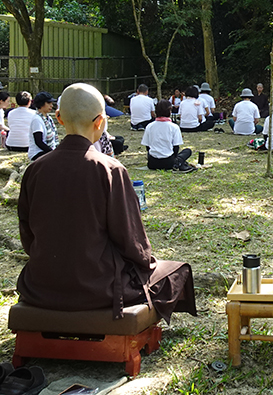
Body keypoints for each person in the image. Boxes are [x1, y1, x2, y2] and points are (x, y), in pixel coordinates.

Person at [15, 83, 197, 322]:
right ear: (100, 121)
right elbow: (131, 241)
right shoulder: (110, 170)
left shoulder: (35, 170)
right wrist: (146, 264)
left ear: (59, 118)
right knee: (176, 272)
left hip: (41, 285)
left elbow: (27, 234)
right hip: (100, 288)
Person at [142, 100, 195, 173]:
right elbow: (176, 147)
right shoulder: (174, 127)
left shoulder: (149, 126)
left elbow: (147, 147)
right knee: (187, 151)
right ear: (169, 111)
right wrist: (174, 158)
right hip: (168, 162)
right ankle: (177, 162)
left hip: (152, 163)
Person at [27, 92, 58, 161]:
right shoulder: (37, 120)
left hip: (48, 150)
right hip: (37, 153)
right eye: (48, 103)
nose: (51, 106)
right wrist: (52, 152)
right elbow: (39, 142)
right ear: (41, 104)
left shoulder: (48, 118)